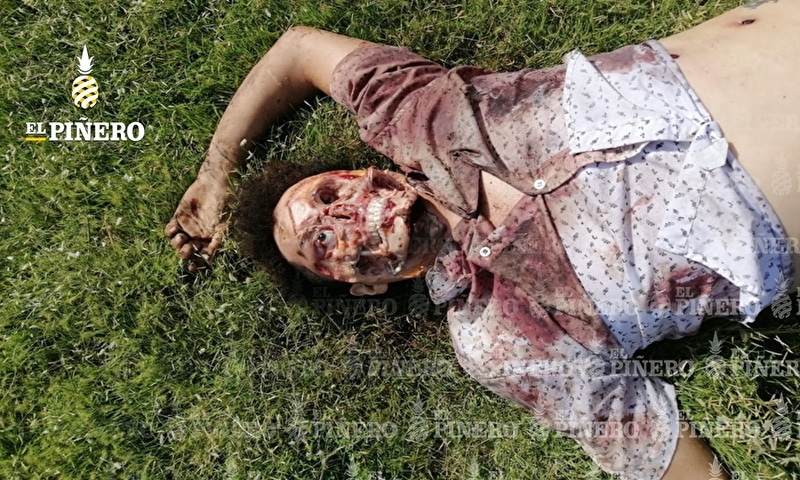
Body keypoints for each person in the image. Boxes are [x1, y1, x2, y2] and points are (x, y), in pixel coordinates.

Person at [165, 2, 800, 478]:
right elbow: (658, 456)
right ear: (367, 285)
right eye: (323, 241)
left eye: (329, 196)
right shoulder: (499, 337)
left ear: (365, 173)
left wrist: (215, 174)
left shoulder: (419, 116)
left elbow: (299, 49)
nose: (343, 217)